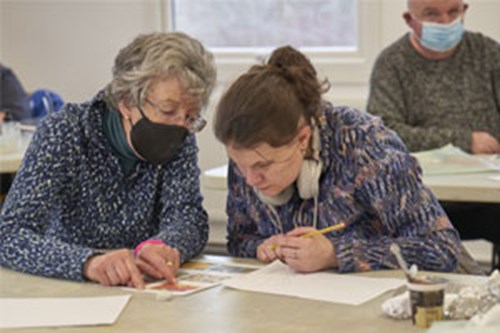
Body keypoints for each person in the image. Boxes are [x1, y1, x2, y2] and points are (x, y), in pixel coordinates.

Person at [213, 45, 462, 273]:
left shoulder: (366, 147)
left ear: (302, 139)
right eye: (238, 165)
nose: (251, 180)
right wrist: (260, 248)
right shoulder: (247, 155)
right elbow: (239, 240)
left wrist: (336, 253)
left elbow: (441, 248)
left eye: (263, 165)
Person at [0, 32, 217, 288]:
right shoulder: (65, 131)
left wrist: (164, 245)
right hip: (69, 289)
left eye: (190, 115)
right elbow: (10, 235)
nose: (180, 124)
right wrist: (89, 262)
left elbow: (188, 215)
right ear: (127, 101)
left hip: (144, 288)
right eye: (168, 110)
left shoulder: (180, 135)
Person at [366, 0, 500, 247]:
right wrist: (465, 141)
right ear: (409, 20)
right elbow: (384, 134)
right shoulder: (392, 63)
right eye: (432, 14)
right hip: (422, 196)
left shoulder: (488, 53)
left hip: (490, 194)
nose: (445, 22)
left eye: (453, 12)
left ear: (464, 11)